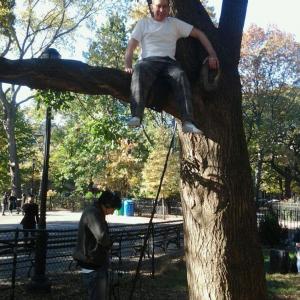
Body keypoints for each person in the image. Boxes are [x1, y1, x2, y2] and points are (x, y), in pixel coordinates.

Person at [124, 0, 219, 133]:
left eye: (165, 7)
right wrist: (128, 65)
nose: (162, 10)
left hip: (169, 62)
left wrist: (212, 54)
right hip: (148, 61)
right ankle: (136, 115)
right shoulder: (143, 24)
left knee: (180, 75)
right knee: (139, 70)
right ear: (152, 7)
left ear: (169, 8)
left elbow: (199, 34)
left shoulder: (174, 24)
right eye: (158, 7)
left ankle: (188, 122)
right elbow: (131, 47)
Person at [73, 190, 121, 300]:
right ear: (107, 205)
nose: (113, 212)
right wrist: (111, 243)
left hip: (94, 263)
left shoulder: (95, 211)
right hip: (92, 265)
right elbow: (102, 237)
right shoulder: (93, 213)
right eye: (113, 208)